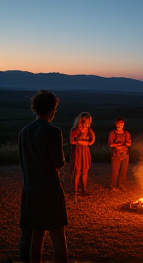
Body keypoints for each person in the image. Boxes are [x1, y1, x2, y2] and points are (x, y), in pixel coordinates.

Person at [18, 90, 68, 263]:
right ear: (52, 110)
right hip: (50, 191)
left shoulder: (24, 132)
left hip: (31, 191)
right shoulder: (53, 132)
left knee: (36, 237)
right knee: (58, 238)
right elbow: (58, 162)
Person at [70, 112, 95, 202]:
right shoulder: (75, 130)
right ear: (80, 120)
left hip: (85, 152)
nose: (86, 123)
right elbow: (72, 142)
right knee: (77, 171)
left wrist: (83, 142)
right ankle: (75, 191)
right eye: (84, 121)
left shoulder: (89, 131)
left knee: (85, 171)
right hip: (78, 152)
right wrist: (81, 142)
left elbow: (92, 141)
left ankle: (84, 190)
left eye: (87, 121)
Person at [108, 117, 132, 191]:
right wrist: (121, 144)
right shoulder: (112, 133)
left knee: (124, 171)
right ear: (116, 124)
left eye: (121, 124)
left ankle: (121, 185)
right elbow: (111, 144)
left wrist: (119, 144)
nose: (119, 126)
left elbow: (129, 143)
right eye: (118, 125)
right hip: (116, 155)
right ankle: (113, 186)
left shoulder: (126, 133)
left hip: (125, 154)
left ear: (123, 124)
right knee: (115, 171)